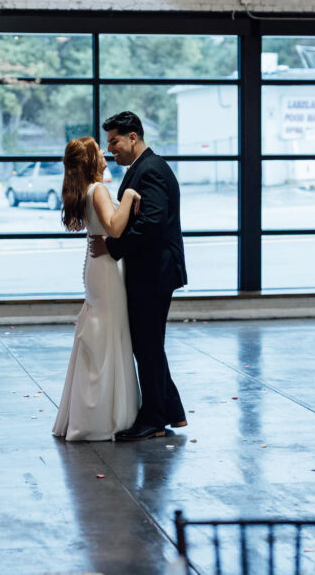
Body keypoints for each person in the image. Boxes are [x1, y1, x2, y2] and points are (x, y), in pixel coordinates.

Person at [89, 111, 188, 441]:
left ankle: (155, 420)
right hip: (150, 270)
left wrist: (112, 248)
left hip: (155, 271)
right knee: (149, 343)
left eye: (114, 141)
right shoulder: (142, 169)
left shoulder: (151, 171)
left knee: (146, 345)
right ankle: (171, 410)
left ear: (134, 138)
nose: (110, 150)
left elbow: (151, 223)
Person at [52, 137, 142, 442]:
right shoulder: (99, 189)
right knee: (111, 333)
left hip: (96, 268)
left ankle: (95, 412)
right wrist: (129, 195)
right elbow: (115, 228)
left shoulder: (89, 190)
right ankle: (108, 416)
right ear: (91, 159)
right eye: (97, 150)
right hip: (106, 272)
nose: (103, 153)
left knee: (101, 332)